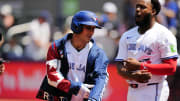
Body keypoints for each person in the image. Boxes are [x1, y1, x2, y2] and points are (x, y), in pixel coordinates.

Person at [36, 10, 109, 101]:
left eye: (93, 28)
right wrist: (76, 87)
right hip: (59, 97)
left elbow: (101, 79)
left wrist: (94, 98)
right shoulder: (57, 47)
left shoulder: (98, 54)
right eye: (88, 28)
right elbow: (52, 76)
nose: (91, 32)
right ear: (76, 27)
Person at [115, 0, 178, 101]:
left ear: (153, 11)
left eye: (143, 7)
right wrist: (132, 76)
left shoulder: (164, 35)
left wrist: (141, 66)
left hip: (154, 89)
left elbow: (171, 67)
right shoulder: (127, 35)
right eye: (137, 7)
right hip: (132, 91)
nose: (138, 10)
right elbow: (119, 65)